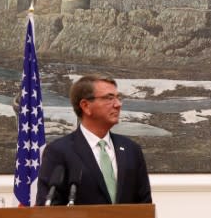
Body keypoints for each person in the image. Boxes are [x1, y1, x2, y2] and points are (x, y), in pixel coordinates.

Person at [36, 75, 152, 206]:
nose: (118, 104)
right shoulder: (59, 151)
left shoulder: (131, 150)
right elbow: (48, 208)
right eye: (109, 98)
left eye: (118, 97)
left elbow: (144, 206)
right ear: (85, 106)